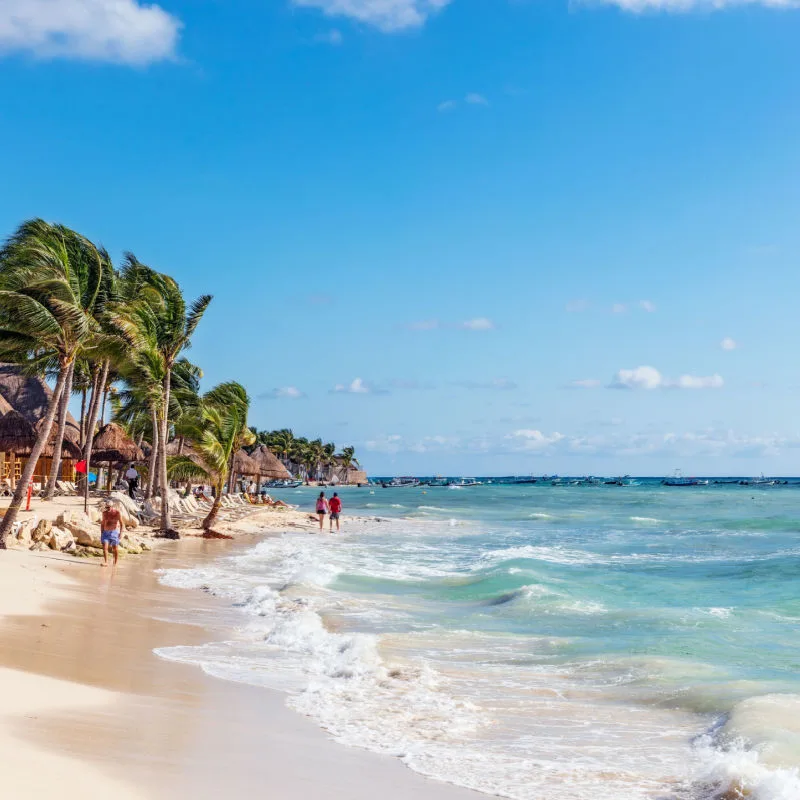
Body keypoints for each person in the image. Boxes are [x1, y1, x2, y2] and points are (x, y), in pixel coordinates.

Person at [100, 500, 122, 568]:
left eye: (109, 507)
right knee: (105, 547)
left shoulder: (117, 513)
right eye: (106, 507)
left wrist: (121, 533)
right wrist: (102, 532)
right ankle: (106, 562)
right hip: (105, 533)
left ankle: (115, 563)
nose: (107, 509)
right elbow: (103, 523)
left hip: (114, 532)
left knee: (115, 549)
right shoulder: (104, 513)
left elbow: (122, 524)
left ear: (112, 507)